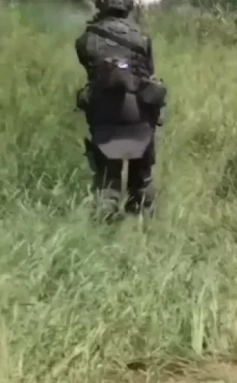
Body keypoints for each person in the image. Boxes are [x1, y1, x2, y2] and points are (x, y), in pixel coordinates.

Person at [75, 0, 166, 220]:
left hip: (104, 115)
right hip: (140, 114)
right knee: (142, 180)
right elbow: (148, 71)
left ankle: (105, 221)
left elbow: (87, 63)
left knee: (108, 181)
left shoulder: (87, 38)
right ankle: (143, 223)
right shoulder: (141, 37)